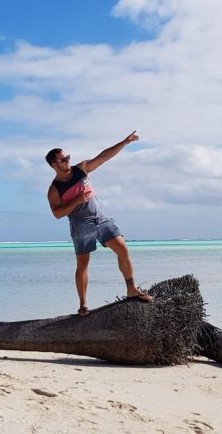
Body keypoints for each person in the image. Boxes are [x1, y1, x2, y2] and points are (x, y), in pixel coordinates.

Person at [46, 131, 152, 316]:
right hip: (81, 225)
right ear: (54, 165)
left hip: (101, 219)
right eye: (64, 159)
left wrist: (124, 142)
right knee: (82, 265)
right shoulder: (54, 190)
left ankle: (131, 289)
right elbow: (57, 213)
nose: (68, 161)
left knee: (123, 249)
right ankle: (83, 304)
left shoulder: (81, 169)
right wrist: (77, 201)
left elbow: (104, 156)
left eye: (68, 157)